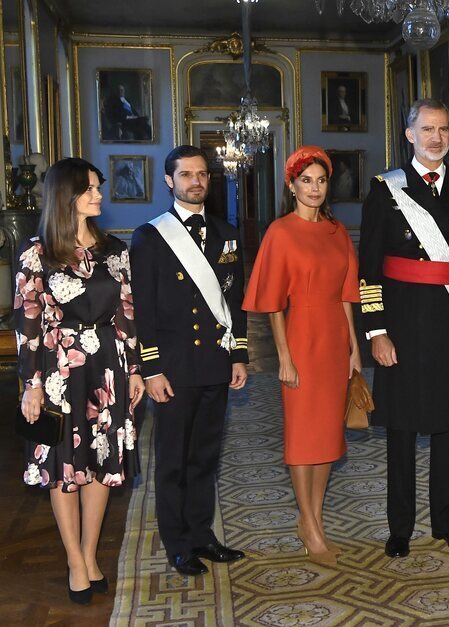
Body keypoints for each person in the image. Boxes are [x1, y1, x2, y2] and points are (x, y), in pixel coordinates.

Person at [359, 99, 449, 558]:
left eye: (444, 130)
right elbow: (369, 269)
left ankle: (446, 522)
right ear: (409, 134)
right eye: (427, 129)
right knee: (400, 429)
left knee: (447, 426)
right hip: (399, 322)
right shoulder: (385, 189)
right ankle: (400, 527)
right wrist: (376, 332)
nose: (436, 137)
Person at [15, 157, 145, 603]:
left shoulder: (115, 251)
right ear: (64, 196)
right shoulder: (37, 253)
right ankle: (73, 558)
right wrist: (31, 384)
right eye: (88, 188)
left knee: (102, 462)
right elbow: (28, 323)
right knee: (65, 468)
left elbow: (128, 315)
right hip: (58, 373)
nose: (98, 194)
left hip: (107, 367)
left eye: (98, 186)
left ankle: (90, 554)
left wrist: (134, 370)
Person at [130, 145, 249, 576]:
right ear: (169, 181)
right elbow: (143, 308)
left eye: (202, 174)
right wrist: (152, 368)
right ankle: (178, 544)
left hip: (215, 364)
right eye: (186, 175)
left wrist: (239, 356)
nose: (196, 182)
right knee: (174, 459)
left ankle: (203, 535)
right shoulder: (150, 236)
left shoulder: (226, 232)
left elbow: (234, 301)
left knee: (205, 456)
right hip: (174, 368)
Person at [242, 146, 361, 565]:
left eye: (321, 180)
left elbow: (349, 295)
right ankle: (308, 522)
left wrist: (354, 349)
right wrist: (284, 357)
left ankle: (316, 516)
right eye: (306, 180)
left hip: (333, 340)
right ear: (291, 185)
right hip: (301, 336)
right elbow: (273, 302)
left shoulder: (337, 231)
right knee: (302, 434)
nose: (314, 188)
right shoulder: (280, 232)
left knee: (328, 434)